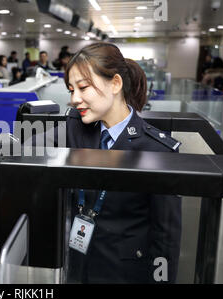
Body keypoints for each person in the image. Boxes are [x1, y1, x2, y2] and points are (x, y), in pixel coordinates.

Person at [64, 42, 182, 284]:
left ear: (115, 84)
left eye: (83, 88)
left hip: (123, 274)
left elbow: (165, 239)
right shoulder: (76, 128)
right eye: (70, 89)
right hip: (77, 268)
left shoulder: (158, 150)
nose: (75, 99)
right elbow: (29, 144)